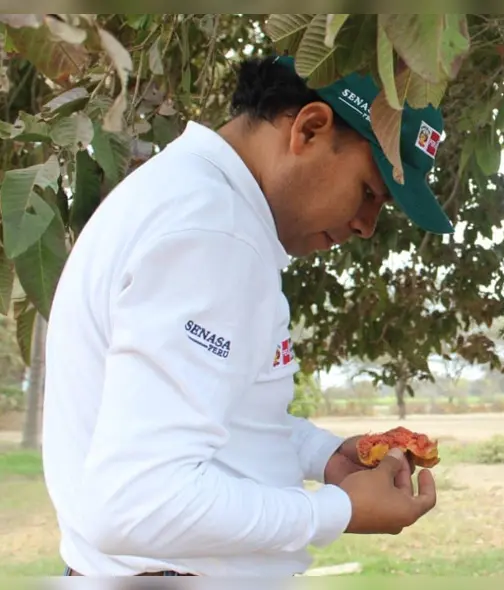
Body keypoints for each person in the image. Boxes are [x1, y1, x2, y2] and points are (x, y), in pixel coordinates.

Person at [41, 55, 451, 576]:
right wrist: (338, 511)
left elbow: (223, 417)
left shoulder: (189, 198)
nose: (367, 225)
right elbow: (136, 503)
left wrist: (323, 457)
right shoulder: (215, 234)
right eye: (369, 192)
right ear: (310, 128)